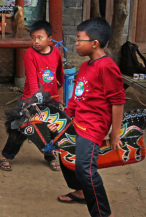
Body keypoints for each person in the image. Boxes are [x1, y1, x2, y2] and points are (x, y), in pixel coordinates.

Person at [50, 17, 125, 217]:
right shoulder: (85, 67)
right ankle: (82, 191)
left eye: (79, 39)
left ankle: (102, 213)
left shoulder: (106, 67)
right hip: (78, 123)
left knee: (85, 170)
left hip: (93, 128)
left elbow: (118, 102)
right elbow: (76, 98)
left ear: (94, 43)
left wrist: (115, 134)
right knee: (63, 151)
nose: (75, 44)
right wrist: (63, 120)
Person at [0, 20, 64, 171]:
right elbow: (33, 82)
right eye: (33, 37)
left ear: (49, 38)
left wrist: (59, 98)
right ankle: (6, 156)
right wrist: (36, 103)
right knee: (21, 127)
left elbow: (60, 76)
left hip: (52, 98)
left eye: (40, 37)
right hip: (31, 99)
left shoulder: (56, 52)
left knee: (52, 128)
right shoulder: (29, 53)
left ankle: (51, 156)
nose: (36, 41)